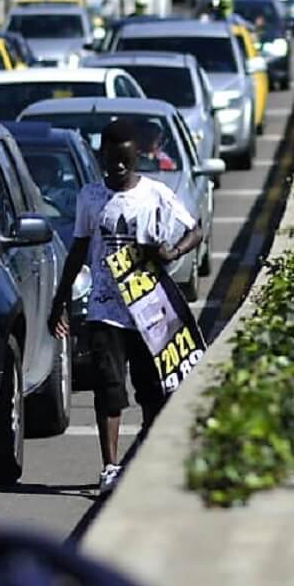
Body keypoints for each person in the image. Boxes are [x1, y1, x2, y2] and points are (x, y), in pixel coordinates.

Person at [50, 119, 206, 494]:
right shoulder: (90, 197)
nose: (117, 168)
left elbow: (195, 228)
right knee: (108, 389)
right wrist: (61, 302)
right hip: (105, 310)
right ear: (102, 157)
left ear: (137, 156)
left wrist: (174, 251)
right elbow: (78, 250)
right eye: (111, 161)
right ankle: (110, 467)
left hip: (148, 309)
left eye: (124, 161)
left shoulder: (155, 194)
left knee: (152, 390)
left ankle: (148, 461)